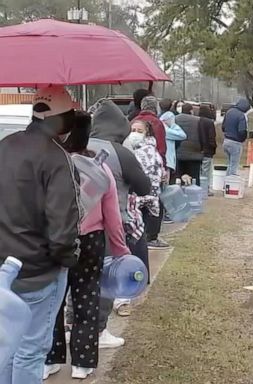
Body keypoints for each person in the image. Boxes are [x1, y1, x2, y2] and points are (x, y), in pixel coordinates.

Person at [0, 86, 81, 384]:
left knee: (6, 346)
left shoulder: (5, 145)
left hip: (4, 270)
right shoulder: (57, 158)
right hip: (40, 271)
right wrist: (68, 257)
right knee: (30, 350)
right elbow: (63, 226)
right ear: (63, 120)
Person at [44, 112, 130, 380]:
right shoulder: (99, 168)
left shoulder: (50, 164)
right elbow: (112, 216)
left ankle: (51, 359)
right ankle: (83, 362)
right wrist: (120, 251)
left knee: (52, 301)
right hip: (91, 241)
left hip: (54, 240)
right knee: (86, 298)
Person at [88, 99, 151, 347]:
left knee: (79, 280)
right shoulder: (120, 152)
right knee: (105, 278)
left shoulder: (75, 147)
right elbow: (144, 186)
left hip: (74, 225)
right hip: (108, 225)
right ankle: (99, 330)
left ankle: (73, 325)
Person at [124, 119, 167, 254]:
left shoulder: (149, 150)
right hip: (133, 191)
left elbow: (155, 169)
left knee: (150, 212)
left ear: (147, 133)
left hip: (147, 189)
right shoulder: (127, 147)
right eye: (133, 130)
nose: (135, 134)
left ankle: (150, 237)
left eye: (139, 131)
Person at [133, 96, 167, 167]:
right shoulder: (157, 123)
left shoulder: (134, 121)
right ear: (156, 107)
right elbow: (161, 146)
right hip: (152, 163)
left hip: (134, 162)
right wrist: (163, 164)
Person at [175, 103, 204, 185]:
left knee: (179, 178)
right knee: (194, 178)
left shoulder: (175, 119)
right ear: (191, 111)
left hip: (178, 152)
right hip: (194, 152)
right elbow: (202, 136)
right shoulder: (198, 120)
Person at [222, 98, 250, 175]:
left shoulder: (229, 112)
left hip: (226, 141)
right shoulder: (241, 116)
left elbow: (223, 127)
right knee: (234, 166)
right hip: (235, 142)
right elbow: (242, 131)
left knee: (229, 163)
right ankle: (230, 183)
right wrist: (243, 139)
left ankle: (225, 182)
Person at [160, 111, 187, 184]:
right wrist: (173, 125)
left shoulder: (165, 129)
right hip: (166, 161)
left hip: (166, 160)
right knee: (165, 184)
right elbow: (182, 135)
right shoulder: (165, 130)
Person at [198, 105, 217, 196]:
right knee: (206, 172)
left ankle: (198, 188)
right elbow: (211, 137)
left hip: (197, 150)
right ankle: (205, 189)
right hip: (207, 150)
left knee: (199, 171)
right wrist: (213, 147)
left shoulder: (196, 120)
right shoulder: (209, 122)